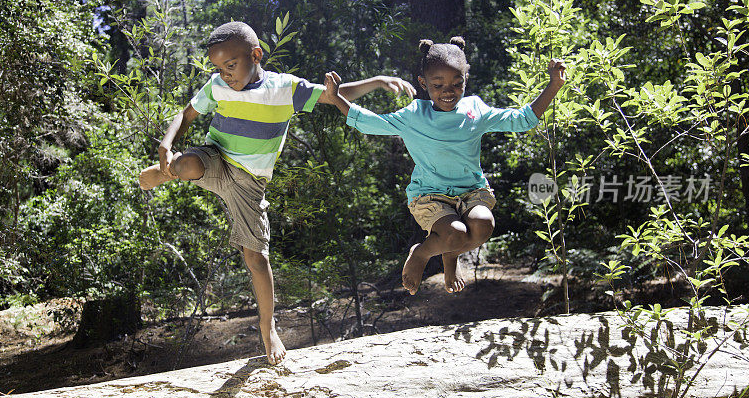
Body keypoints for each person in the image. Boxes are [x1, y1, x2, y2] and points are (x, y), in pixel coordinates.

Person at [138, 21, 415, 365]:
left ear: (255, 55)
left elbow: (332, 97)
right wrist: (167, 144)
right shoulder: (217, 86)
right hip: (216, 158)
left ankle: (267, 327)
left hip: (250, 182)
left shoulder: (284, 89)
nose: (224, 75)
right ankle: (172, 168)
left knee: (256, 259)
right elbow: (187, 114)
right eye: (218, 68)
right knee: (189, 166)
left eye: (230, 66)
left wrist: (377, 81)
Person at [322, 36, 566, 296]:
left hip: (472, 191)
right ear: (423, 84)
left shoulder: (476, 110)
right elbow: (372, 122)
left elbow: (522, 119)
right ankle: (421, 253)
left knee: (484, 226)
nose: (447, 91)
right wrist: (336, 98)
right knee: (454, 233)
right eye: (438, 85)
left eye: (456, 84)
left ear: (465, 80)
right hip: (430, 195)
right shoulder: (415, 115)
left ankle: (450, 256)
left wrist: (553, 85)